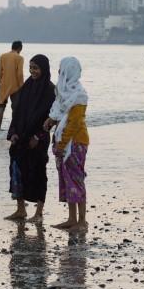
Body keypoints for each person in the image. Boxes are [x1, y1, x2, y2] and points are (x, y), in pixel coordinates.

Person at [5, 54, 55, 223]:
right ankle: (21, 209)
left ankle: (39, 213)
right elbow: (16, 112)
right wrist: (13, 133)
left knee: (38, 173)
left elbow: (52, 117)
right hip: (21, 138)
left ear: (44, 69)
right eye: (31, 68)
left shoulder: (50, 90)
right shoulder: (27, 86)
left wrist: (38, 137)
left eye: (36, 68)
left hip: (38, 140)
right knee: (17, 171)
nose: (33, 71)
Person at [46, 57, 90, 231]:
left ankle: (82, 221)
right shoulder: (63, 93)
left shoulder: (79, 95)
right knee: (67, 180)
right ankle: (72, 219)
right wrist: (50, 121)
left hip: (76, 142)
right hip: (63, 142)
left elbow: (74, 123)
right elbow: (59, 113)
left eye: (61, 70)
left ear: (69, 72)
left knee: (76, 179)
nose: (59, 73)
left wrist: (62, 144)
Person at [0, 41, 24, 130]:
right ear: (20, 48)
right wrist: (22, 86)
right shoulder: (19, 58)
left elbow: (0, 71)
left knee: (1, 107)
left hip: (4, 84)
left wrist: (0, 81)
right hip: (15, 86)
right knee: (15, 108)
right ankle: (14, 127)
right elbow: (19, 73)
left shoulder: (3, 56)